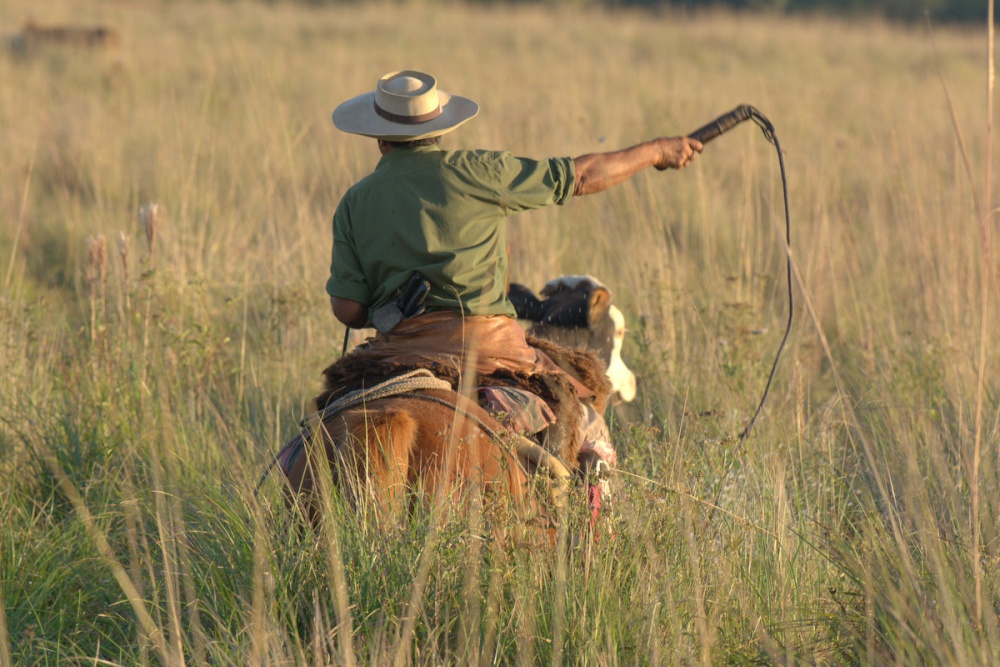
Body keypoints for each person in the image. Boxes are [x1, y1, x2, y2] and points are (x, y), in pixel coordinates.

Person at [326, 70, 701, 502]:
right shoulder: (478, 171)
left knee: (328, 419)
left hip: (397, 352)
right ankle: (588, 539)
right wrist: (657, 151)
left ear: (379, 138)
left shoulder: (355, 201)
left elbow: (348, 310)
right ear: (437, 130)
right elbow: (583, 175)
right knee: (586, 422)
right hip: (494, 352)